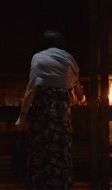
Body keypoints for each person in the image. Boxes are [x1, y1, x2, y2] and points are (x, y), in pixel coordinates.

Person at [15, 30, 85, 190]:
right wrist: (81, 98)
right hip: (62, 112)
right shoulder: (69, 59)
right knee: (60, 147)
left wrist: (22, 116)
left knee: (41, 147)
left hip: (42, 111)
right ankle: (61, 184)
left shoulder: (38, 58)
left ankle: (40, 184)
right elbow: (76, 86)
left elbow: (31, 90)